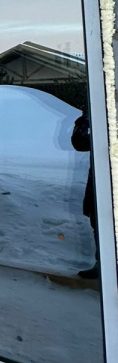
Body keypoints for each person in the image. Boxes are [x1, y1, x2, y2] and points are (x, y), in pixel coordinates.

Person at [72, 110, 99, 280]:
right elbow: (80, 143)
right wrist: (85, 119)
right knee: (99, 223)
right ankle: (102, 265)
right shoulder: (104, 120)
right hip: (100, 182)